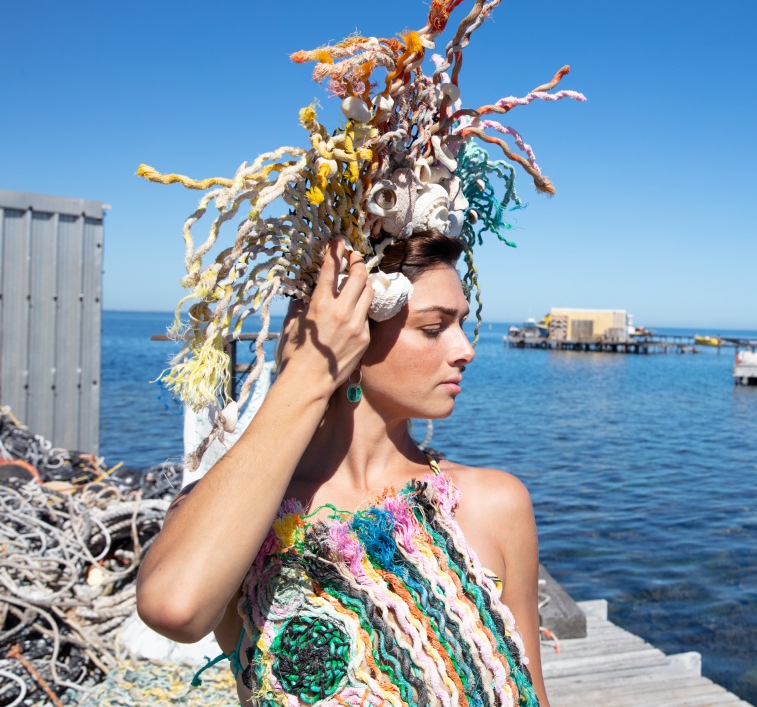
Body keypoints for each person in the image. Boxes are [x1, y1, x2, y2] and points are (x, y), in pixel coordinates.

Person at [137, 230, 549, 706]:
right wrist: (310, 370)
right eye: (434, 328)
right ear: (351, 336)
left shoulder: (492, 503)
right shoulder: (243, 519)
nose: (465, 349)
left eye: (460, 324)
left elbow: (530, 694)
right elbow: (174, 607)